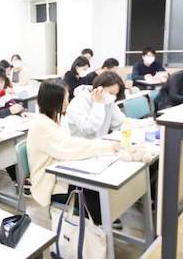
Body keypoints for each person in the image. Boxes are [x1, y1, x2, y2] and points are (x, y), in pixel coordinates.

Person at [26, 79, 116, 227]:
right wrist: (105, 147)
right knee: (93, 190)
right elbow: (69, 147)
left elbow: (69, 145)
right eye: (65, 98)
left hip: (61, 171)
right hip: (49, 181)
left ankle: (99, 225)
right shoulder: (42, 125)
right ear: (53, 101)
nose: (68, 102)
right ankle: (96, 229)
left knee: (95, 186)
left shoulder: (57, 118)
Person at [65, 71, 126, 139]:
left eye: (115, 94)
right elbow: (89, 129)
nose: (113, 97)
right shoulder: (78, 102)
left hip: (99, 144)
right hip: (81, 146)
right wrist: (98, 104)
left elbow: (119, 122)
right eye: (111, 93)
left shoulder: (108, 102)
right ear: (99, 89)